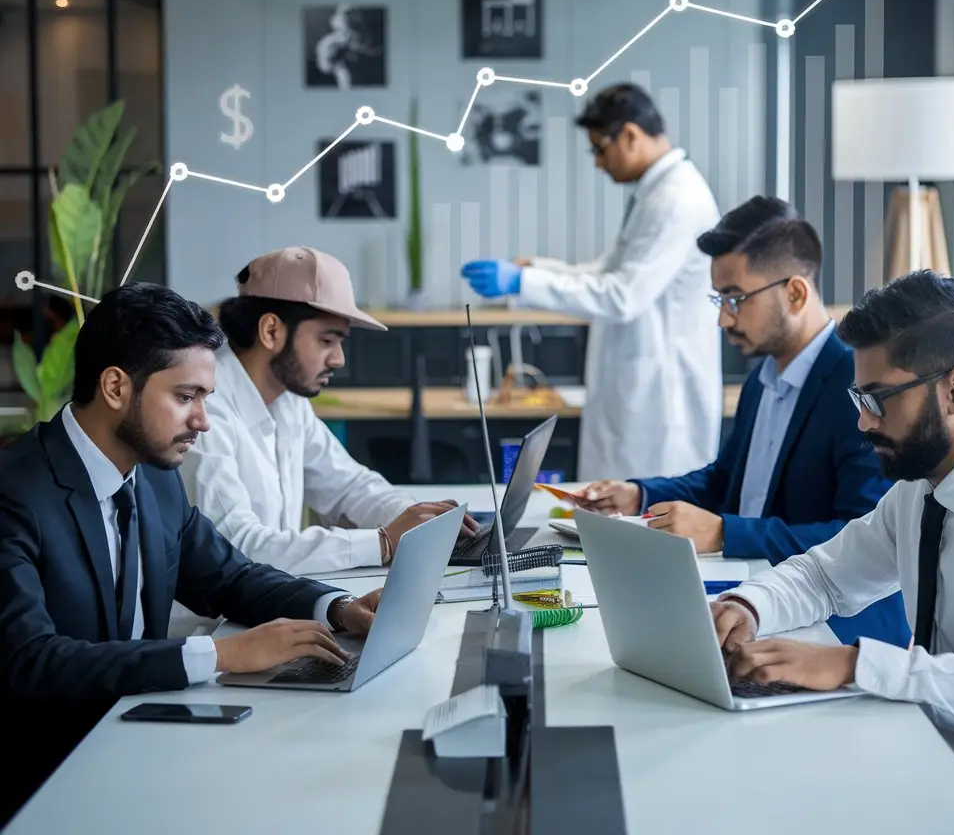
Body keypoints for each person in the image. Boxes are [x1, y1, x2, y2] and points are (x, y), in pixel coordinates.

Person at [0, 283, 382, 823]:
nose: (203, 420)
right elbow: (30, 661)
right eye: (186, 397)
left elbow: (230, 578)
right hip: (50, 781)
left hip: (141, 745)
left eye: (206, 398)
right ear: (115, 387)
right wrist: (221, 656)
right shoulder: (15, 492)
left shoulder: (153, 479)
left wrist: (338, 608)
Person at [710, 272, 954, 826]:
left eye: (877, 399)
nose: (862, 422)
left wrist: (854, 665)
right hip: (919, 762)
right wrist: (747, 607)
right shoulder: (920, 488)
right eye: (860, 398)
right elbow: (826, 576)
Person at [577, 197, 909, 646]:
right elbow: (726, 480)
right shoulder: (763, 379)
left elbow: (864, 535)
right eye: (719, 299)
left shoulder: (856, 386)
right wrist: (639, 493)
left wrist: (724, 532)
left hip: (829, 625)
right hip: (747, 598)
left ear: (794, 292)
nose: (722, 318)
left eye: (735, 298)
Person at [460, 82, 722, 480]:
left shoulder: (676, 200)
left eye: (600, 148)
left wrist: (523, 283)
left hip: (662, 404)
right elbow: (609, 270)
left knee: (647, 520)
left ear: (630, 135)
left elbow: (621, 296)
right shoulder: (655, 195)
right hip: (637, 390)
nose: (598, 163)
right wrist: (537, 271)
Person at [180, 246, 476, 576]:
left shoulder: (288, 400)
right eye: (326, 341)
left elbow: (348, 486)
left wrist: (417, 518)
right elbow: (239, 546)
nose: (339, 359)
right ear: (271, 331)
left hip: (273, 605)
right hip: (216, 625)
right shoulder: (206, 412)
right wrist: (382, 543)